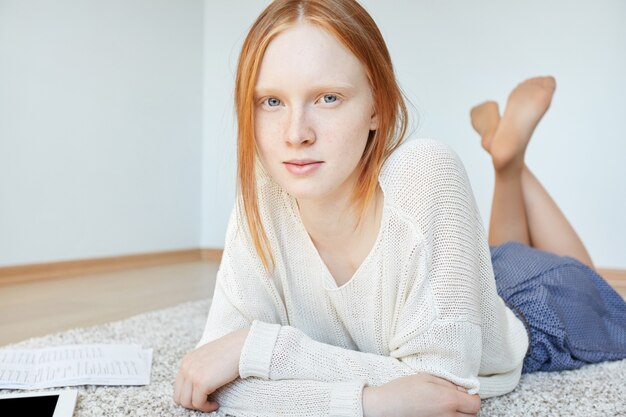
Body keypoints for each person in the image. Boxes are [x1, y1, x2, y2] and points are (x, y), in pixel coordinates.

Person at [173, 1, 626, 416]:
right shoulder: (264, 193)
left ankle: (511, 165)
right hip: (452, 285)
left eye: (327, 97)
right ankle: (508, 161)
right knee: (496, 250)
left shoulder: (426, 171)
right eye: (271, 101)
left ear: (377, 105)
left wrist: (262, 351)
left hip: (536, 303)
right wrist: (371, 401)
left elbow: (446, 392)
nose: (296, 134)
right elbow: (211, 378)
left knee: (595, 286)